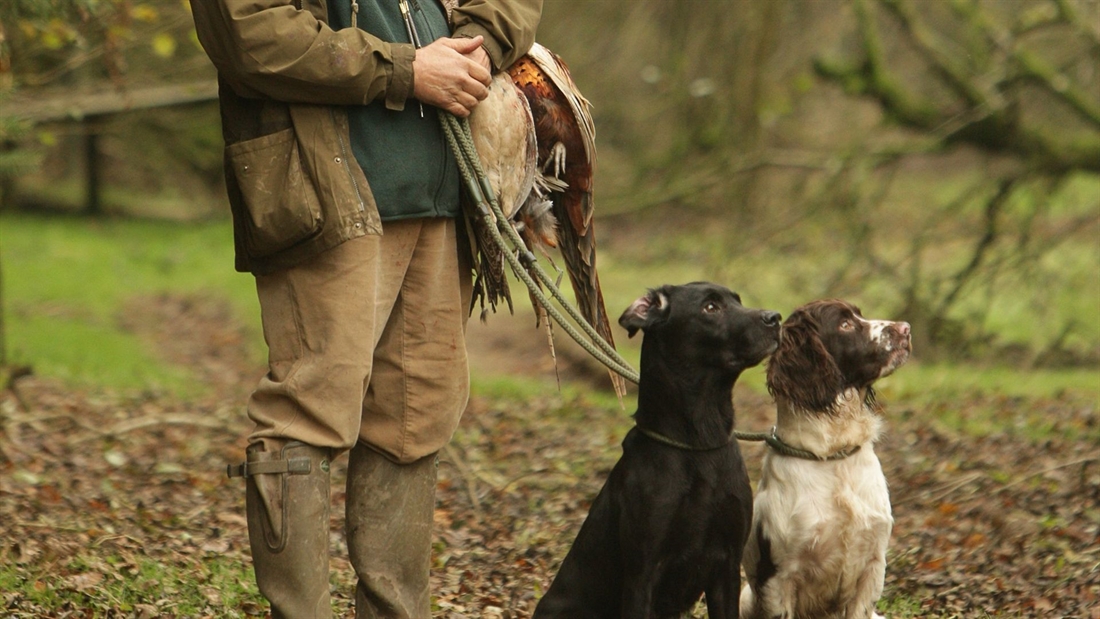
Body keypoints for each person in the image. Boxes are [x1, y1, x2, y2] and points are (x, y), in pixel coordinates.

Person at [188, 0, 542, 616]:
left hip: (446, 187)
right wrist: (405, 70)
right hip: (324, 191)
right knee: (308, 412)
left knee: (416, 415)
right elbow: (247, 34)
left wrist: (479, 43)